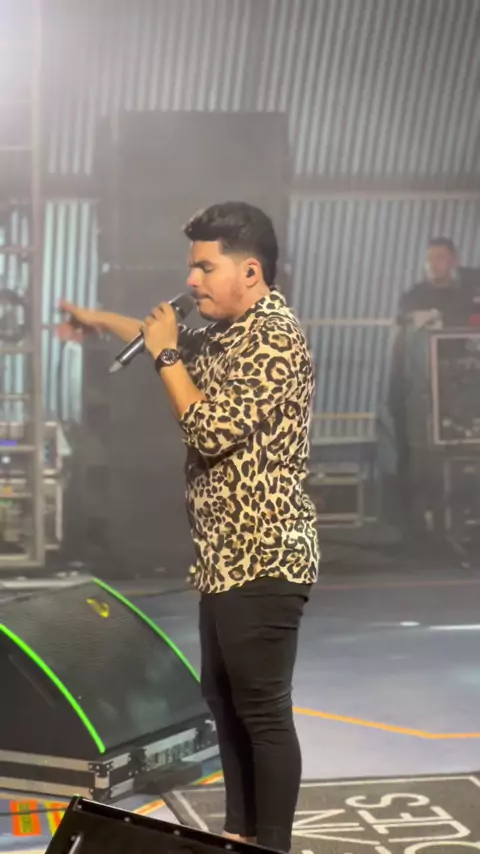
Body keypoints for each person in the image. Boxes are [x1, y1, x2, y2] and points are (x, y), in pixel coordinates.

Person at [60, 201, 319, 852]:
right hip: (224, 559)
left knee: (262, 713)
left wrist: (168, 355)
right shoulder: (230, 333)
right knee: (225, 704)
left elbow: (207, 428)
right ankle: (239, 835)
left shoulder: (274, 336)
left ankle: (272, 844)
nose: (192, 280)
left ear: (250, 272)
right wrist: (99, 320)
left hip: (264, 554)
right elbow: (158, 335)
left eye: (205, 267)